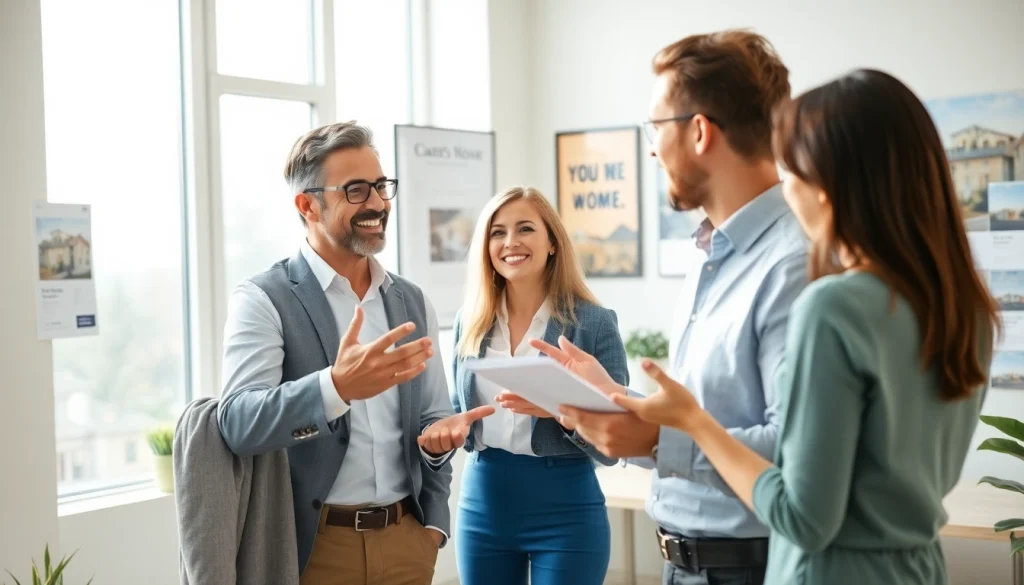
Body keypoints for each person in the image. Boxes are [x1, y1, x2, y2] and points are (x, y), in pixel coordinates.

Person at [606, 69, 1000, 585]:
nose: (787, 191)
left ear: (831, 183)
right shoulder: (967, 307)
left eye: (791, 172)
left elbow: (803, 519)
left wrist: (693, 422)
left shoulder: (834, 306)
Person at [531, 30, 804, 585]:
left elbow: (797, 452)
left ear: (699, 131)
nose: (651, 149)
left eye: (655, 128)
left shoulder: (792, 265)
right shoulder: (712, 253)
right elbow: (708, 416)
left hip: (750, 568)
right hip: (685, 567)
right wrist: (615, 397)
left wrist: (655, 438)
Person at [217, 121, 493, 585]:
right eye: (357, 190)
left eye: (382, 187)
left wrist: (433, 519)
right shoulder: (262, 299)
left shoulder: (409, 300)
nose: (378, 204)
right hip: (316, 550)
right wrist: (336, 387)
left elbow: (431, 416)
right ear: (308, 205)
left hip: (408, 542)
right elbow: (238, 423)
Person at [445, 187, 628, 585]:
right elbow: (454, 409)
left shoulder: (594, 324)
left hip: (566, 507)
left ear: (551, 243)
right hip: (483, 502)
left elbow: (617, 444)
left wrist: (562, 411)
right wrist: (443, 430)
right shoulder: (469, 322)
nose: (511, 242)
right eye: (498, 232)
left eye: (525, 229)